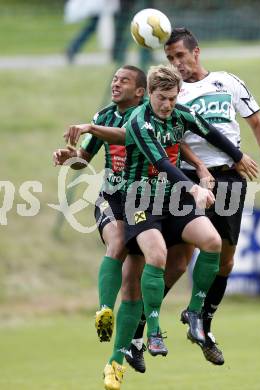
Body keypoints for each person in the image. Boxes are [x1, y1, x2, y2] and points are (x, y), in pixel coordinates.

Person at [65, 64, 258, 389]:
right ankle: (122, 350)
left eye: (172, 98)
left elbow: (208, 133)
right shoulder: (137, 121)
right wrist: (194, 185)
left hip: (170, 200)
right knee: (135, 275)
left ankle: (192, 314)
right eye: (162, 98)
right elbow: (162, 162)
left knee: (208, 243)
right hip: (137, 200)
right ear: (148, 95)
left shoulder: (177, 114)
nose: (168, 105)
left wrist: (236, 156)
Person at [149, 27, 260, 366]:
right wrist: (198, 169)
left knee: (225, 262)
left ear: (196, 52)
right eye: (170, 58)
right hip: (190, 180)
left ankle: (202, 324)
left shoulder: (227, 82)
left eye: (180, 56)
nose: (176, 63)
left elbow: (258, 126)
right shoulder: (172, 93)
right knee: (178, 260)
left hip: (229, 178)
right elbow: (170, 135)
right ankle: (143, 322)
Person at [53, 64, 147, 343]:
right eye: (115, 79)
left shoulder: (145, 116)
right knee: (116, 243)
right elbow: (84, 158)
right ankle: (105, 310)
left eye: (125, 81)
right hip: (110, 196)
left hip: (143, 200)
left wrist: (91, 127)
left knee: (134, 281)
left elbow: (128, 136)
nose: (116, 84)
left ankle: (130, 345)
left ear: (140, 91)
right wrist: (67, 158)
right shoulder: (105, 114)